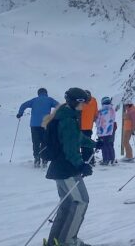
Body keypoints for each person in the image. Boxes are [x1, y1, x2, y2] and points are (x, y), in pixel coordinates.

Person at [43, 87, 96, 246]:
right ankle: (67, 241)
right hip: (67, 169)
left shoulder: (65, 114)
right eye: (83, 103)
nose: (85, 105)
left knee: (67, 204)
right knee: (81, 201)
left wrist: (93, 143)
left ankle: (55, 241)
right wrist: (81, 165)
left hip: (59, 168)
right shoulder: (68, 119)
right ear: (75, 102)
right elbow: (70, 148)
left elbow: (76, 137)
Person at [17, 88, 59, 167]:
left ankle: (36, 158)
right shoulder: (49, 100)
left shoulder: (34, 100)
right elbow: (59, 106)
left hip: (34, 125)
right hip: (45, 125)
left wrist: (20, 113)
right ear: (46, 93)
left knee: (35, 142)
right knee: (45, 142)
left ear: (38, 93)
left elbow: (24, 105)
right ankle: (44, 159)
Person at [95, 97, 117, 165]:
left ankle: (105, 160)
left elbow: (98, 121)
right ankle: (112, 159)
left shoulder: (101, 111)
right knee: (110, 144)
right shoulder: (112, 110)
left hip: (102, 131)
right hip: (110, 130)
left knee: (104, 145)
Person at [79, 91, 98, 166]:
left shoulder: (82, 102)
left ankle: (85, 160)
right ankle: (91, 160)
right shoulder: (94, 101)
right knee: (88, 143)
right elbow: (96, 113)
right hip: (89, 126)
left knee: (83, 144)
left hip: (81, 126)